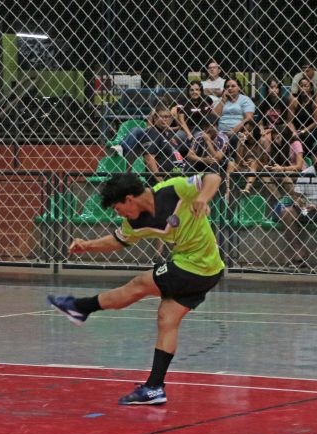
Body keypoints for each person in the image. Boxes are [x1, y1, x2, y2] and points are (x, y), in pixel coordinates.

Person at [47, 172, 224, 405]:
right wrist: (87, 245)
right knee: (167, 319)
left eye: (117, 207)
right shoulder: (134, 223)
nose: (118, 213)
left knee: (139, 284)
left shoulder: (174, 189)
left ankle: (82, 307)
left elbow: (213, 177)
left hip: (198, 265)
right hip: (203, 271)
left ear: (129, 199)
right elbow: (118, 240)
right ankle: (154, 388)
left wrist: (202, 198)